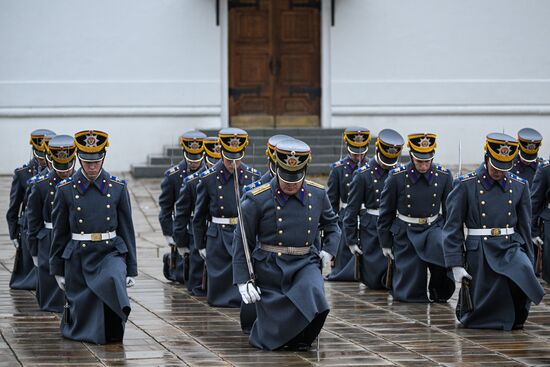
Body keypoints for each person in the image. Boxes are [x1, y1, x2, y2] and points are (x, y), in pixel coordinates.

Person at [233, 138, 340, 351]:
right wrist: (243, 280)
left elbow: (332, 225)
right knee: (275, 317)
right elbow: (242, 240)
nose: (291, 183)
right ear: (276, 169)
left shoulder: (317, 194)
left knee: (314, 293)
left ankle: (303, 337)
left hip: (305, 262)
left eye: (296, 179)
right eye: (286, 178)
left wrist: (329, 250)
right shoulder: (256, 199)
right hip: (270, 265)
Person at [444, 133, 544, 330]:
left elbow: (524, 226)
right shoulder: (465, 185)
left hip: (510, 245)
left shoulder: (519, 185)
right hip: (480, 247)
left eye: (504, 166)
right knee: (492, 289)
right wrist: (455, 263)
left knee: (523, 272)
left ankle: (517, 314)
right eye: (496, 165)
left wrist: (530, 260)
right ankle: (490, 318)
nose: (499, 172)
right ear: (487, 157)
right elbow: (452, 227)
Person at [50, 130, 137, 344]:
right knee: (84, 301)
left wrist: (131, 269)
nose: (92, 167)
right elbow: (59, 234)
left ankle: (114, 328)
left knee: (112, 278)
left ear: (103, 158)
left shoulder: (117, 187)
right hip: (79, 253)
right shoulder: (65, 189)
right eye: (87, 162)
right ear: (79, 158)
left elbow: (127, 229)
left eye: (96, 161)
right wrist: (57, 269)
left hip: (110, 252)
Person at [378, 133, 455, 302]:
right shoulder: (396, 177)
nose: (423, 165)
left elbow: (450, 211)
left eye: (427, 161)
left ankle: (438, 290)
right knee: (409, 292)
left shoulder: (444, 176)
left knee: (441, 251)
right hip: (406, 229)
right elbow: (386, 212)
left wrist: (453, 239)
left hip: (433, 226)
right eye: (419, 161)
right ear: (411, 156)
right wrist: (385, 243)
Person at [192, 128, 260, 307]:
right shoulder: (208, 178)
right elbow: (199, 215)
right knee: (221, 279)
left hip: (243, 232)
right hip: (219, 234)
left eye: (237, 158)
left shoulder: (253, 176)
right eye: (229, 158)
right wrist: (200, 244)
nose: (233, 163)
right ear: (221, 152)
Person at [344, 129, 404, 289]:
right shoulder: (362, 175)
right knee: (374, 280)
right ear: (377, 150)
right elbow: (351, 210)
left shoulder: (400, 172)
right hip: (371, 227)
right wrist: (350, 240)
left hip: (394, 225)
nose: (388, 164)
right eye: (385, 159)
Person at [27, 135, 77, 312]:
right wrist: (33, 250)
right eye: (60, 166)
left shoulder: (78, 183)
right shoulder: (40, 185)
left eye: (68, 166)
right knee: (49, 280)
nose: (64, 171)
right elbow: (33, 221)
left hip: (72, 236)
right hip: (48, 236)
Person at [173, 136, 221, 296]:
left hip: (218, 230)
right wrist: (180, 241)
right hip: (197, 230)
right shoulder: (192, 181)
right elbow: (181, 214)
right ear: (205, 158)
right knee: (197, 278)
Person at [7, 129, 54, 289]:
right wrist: (13, 232)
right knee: (29, 265)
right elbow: (14, 207)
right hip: (29, 223)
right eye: (39, 154)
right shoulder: (22, 174)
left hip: (49, 221)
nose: (42, 159)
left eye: (45, 155)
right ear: (33, 151)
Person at [159, 131, 206, 283]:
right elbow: (166, 209)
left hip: (200, 224)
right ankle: (171, 262)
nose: (194, 162)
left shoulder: (209, 173)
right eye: (190, 158)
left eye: (198, 158)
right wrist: (170, 235)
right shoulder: (173, 176)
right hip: (182, 225)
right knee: (182, 275)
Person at [326, 127, 370, 281]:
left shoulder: (371, 167)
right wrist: (333, 224)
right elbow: (332, 201)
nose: (358, 156)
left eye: (361, 152)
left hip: (366, 213)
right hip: (346, 214)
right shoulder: (338, 169)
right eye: (355, 152)